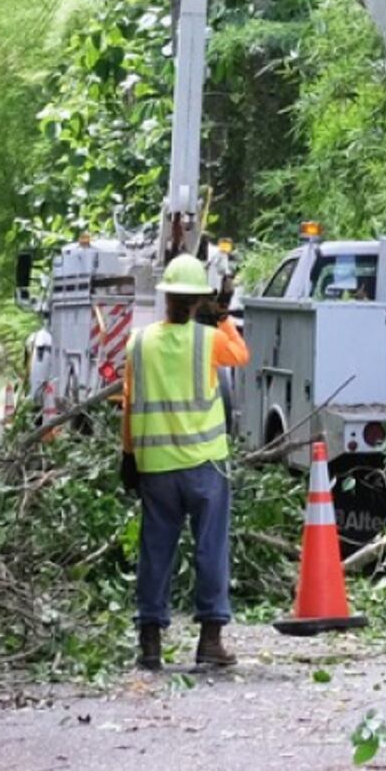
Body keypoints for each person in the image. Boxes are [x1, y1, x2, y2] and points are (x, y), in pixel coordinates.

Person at [120, 253, 250, 672]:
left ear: (166, 298)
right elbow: (241, 354)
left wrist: (127, 456)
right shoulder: (208, 341)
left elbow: (128, 404)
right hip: (204, 465)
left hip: (155, 467)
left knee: (155, 551)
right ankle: (210, 640)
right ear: (198, 301)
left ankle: (150, 643)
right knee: (210, 548)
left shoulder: (138, 343)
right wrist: (222, 317)